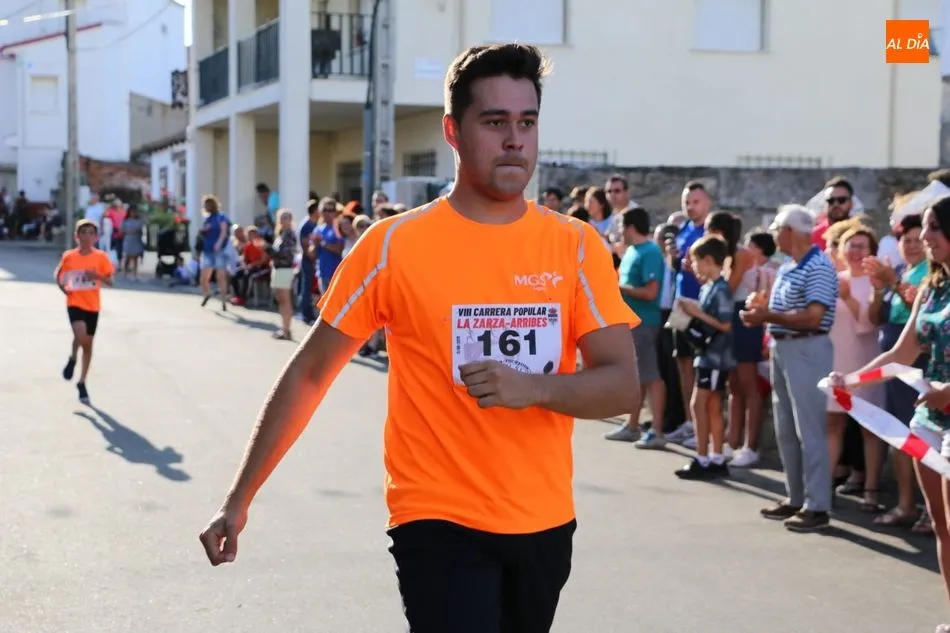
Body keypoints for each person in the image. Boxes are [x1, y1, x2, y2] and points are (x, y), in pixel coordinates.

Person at [198, 43, 639, 633]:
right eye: (495, 122)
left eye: (527, 122)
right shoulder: (392, 247)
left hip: (543, 520)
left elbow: (621, 386)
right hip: (436, 518)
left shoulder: (575, 246)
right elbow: (310, 372)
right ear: (453, 131)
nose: (515, 140)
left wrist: (534, 388)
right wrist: (240, 497)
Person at [829, 197, 950, 632]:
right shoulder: (932, 287)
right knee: (943, 525)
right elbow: (902, 352)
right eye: (925, 228)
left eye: (935, 228)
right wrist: (852, 380)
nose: (926, 237)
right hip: (931, 419)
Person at [674, 235, 736, 478]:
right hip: (708, 354)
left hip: (716, 357)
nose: (695, 267)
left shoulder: (721, 289)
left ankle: (703, 457)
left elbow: (726, 324)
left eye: (697, 262)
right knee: (711, 406)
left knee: (699, 405)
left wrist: (696, 313)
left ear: (709, 260)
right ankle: (715, 457)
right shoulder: (709, 287)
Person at [605, 207, 666, 447]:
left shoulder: (650, 252)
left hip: (645, 323)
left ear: (630, 227)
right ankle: (632, 425)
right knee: (638, 376)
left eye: (621, 226)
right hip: (631, 322)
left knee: (652, 377)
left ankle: (657, 431)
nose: (619, 231)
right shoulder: (631, 251)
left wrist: (618, 288)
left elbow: (651, 292)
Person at [55, 219, 115, 404]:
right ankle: (73, 358)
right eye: (83, 233)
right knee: (80, 335)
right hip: (74, 302)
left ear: (96, 237)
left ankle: (81, 381)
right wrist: (64, 288)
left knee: (87, 344)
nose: (86, 237)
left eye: (91, 233)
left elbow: (111, 282)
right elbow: (59, 276)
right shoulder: (69, 256)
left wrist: (97, 276)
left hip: (93, 306)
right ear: (77, 236)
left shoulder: (101, 257)